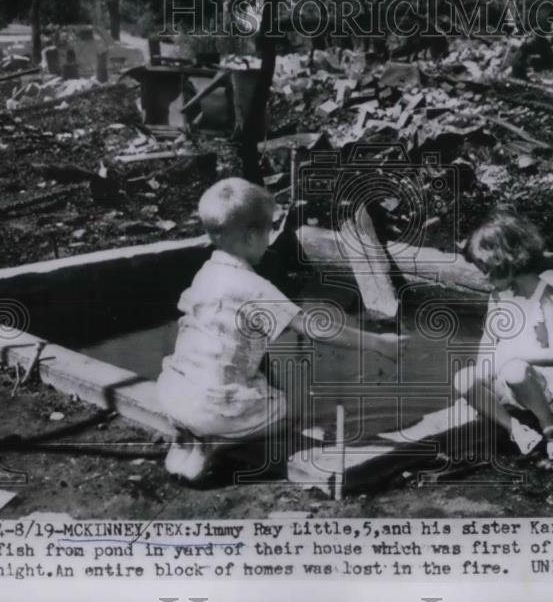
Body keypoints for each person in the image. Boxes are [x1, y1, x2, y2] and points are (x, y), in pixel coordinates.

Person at [157, 177, 405, 480]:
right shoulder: (255, 288)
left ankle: (189, 438)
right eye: (269, 231)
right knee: (284, 408)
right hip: (214, 408)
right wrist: (379, 343)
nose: (272, 238)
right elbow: (315, 328)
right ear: (251, 237)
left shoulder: (205, 275)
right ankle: (217, 442)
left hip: (174, 394)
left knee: (229, 380)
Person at [455, 208, 553, 461]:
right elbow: (489, 339)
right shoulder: (498, 297)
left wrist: (511, 356)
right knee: (463, 378)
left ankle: (551, 427)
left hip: (540, 379)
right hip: (504, 375)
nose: (485, 278)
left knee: (514, 369)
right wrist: (484, 368)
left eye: (489, 270)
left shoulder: (545, 296)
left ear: (510, 261)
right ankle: (516, 430)